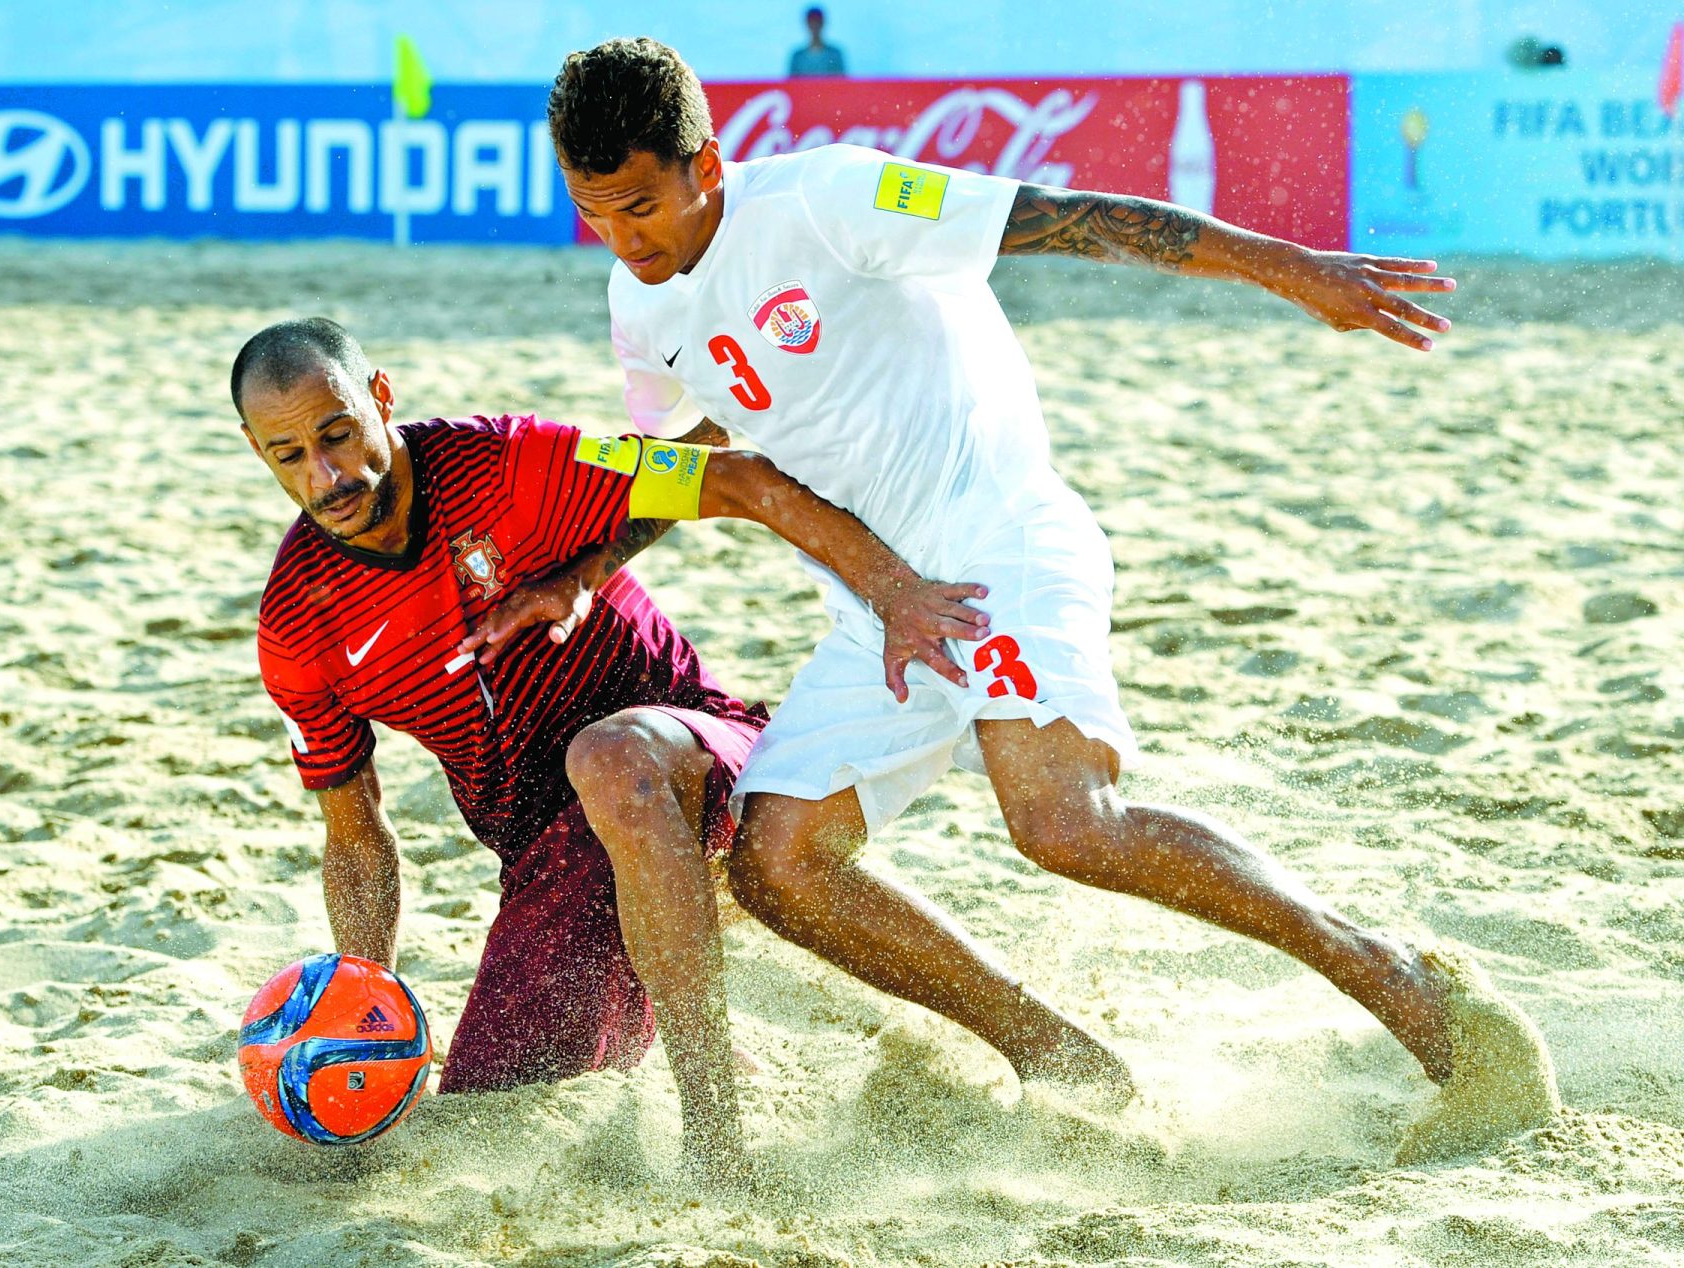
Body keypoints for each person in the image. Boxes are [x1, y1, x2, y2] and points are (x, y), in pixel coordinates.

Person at [476, 38, 1561, 1163]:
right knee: (777, 860)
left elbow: (1070, 216)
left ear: (705, 162)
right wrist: (584, 570)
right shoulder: (636, 301)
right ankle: (1058, 1056)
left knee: (1062, 824)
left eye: (641, 205)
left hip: (1006, 541)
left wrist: (1293, 271)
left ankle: (1386, 969)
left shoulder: (828, 196)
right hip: (883, 607)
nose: (624, 237)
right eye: (595, 210)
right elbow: (701, 447)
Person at [234, 317, 988, 1184]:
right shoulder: (296, 624)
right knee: (488, 1119)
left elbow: (727, 469)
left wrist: (895, 592)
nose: (325, 475)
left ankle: (715, 1131)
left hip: (693, 763)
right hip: (555, 868)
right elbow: (357, 836)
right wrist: (362, 993)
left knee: (611, 759)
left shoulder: (510, 464)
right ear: (255, 449)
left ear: (380, 397)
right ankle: (655, 998)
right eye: (288, 454)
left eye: (338, 435)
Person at [787, 7, 846, 78]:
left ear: (823, 23)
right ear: (807, 24)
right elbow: (792, 84)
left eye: (817, 22)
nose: (815, 26)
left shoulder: (835, 54)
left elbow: (841, 82)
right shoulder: (797, 56)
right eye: (811, 22)